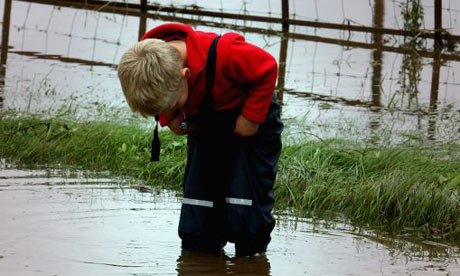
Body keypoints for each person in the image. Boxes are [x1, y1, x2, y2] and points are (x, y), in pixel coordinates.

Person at [118, 23, 283, 256]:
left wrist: (251, 117)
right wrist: (170, 115)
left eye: (174, 105)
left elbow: (267, 67)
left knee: (244, 203)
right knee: (199, 206)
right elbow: (166, 101)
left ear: (185, 75)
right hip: (207, 127)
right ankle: (200, 255)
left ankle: (250, 258)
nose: (170, 110)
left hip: (251, 127)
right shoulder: (146, 67)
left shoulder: (225, 52)